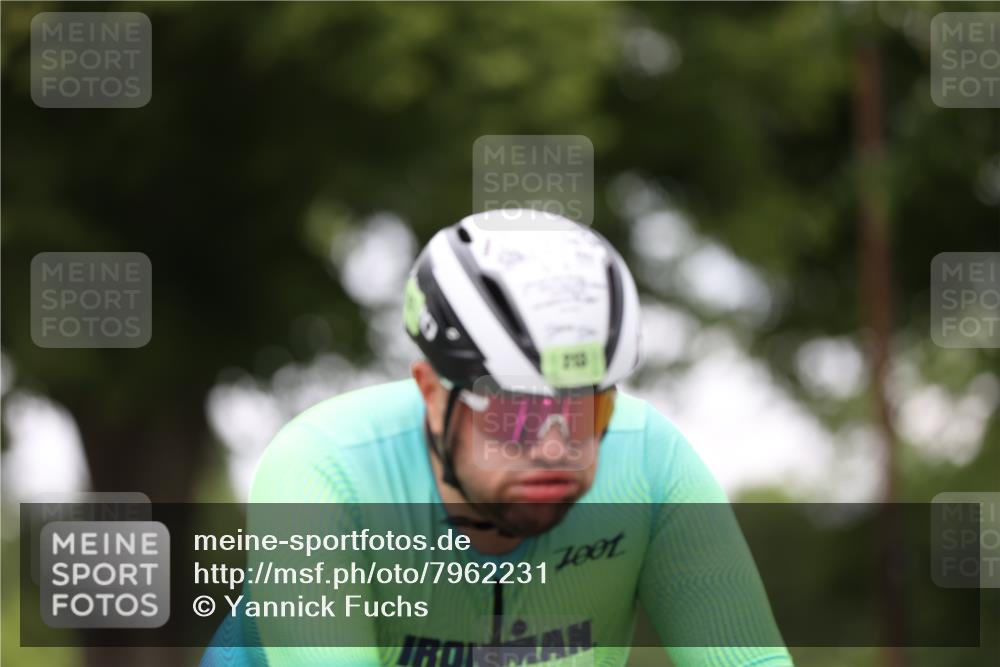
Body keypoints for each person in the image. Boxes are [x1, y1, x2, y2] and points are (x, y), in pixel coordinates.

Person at [200, 210, 793, 666]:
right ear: (431, 391)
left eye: (589, 408)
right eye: (517, 412)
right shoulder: (323, 467)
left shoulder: (648, 457)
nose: (557, 445)